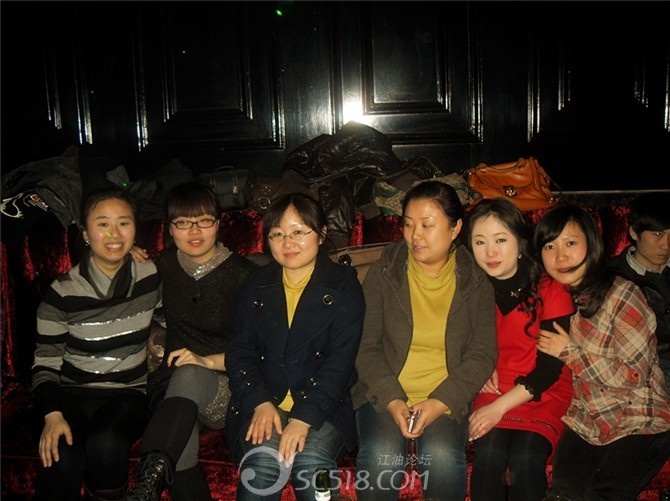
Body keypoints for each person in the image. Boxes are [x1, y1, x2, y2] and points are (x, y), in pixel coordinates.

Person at [351, 180, 498, 501]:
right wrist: (393, 401)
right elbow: (366, 346)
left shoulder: (475, 281)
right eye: (408, 224)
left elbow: (482, 353)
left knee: (441, 458)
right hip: (385, 393)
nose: (415, 235)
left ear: (455, 228)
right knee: (381, 457)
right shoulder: (385, 272)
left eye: (427, 225)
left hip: (444, 396)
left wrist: (439, 402)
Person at [225, 192, 365, 501]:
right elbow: (240, 351)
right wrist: (259, 401)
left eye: (299, 232)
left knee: (311, 461)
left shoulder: (344, 285)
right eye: (277, 234)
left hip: (324, 404)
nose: (288, 242)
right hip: (266, 400)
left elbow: (340, 362)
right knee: (262, 462)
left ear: (321, 234)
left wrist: (304, 417)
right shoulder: (255, 284)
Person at [123, 182, 257, 500]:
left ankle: (145, 486)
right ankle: (146, 490)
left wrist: (205, 361)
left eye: (204, 221)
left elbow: (256, 349)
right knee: (179, 443)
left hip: (226, 385)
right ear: (170, 228)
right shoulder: (164, 265)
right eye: (183, 223)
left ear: (219, 223)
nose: (194, 231)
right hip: (171, 388)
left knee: (189, 374)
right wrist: (122, 254)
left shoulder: (245, 275)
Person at [31, 187, 162, 501]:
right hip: (71, 393)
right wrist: (52, 413)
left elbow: (175, 315)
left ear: (135, 229)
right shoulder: (62, 292)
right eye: (103, 224)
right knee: (62, 456)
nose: (114, 234)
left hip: (128, 393)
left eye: (124, 223)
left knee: (106, 442)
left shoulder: (150, 275)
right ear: (86, 233)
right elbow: (46, 362)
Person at [535, 203, 670, 501]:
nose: (560, 256)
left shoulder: (623, 295)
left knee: (604, 495)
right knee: (561, 496)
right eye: (550, 246)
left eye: (571, 243)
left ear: (591, 244)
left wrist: (570, 352)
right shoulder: (555, 297)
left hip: (640, 418)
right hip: (588, 418)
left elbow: (634, 375)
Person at [465, 198, 574, 501]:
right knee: (489, 456)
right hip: (494, 387)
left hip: (544, 391)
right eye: (480, 242)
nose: (490, 252)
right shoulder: (470, 288)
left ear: (520, 242)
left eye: (501, 240)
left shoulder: (550, 288)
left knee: (526, 458)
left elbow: (550, 368)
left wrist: (499, 408)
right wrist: (477, 369)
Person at [608, 192, 670, 390]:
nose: (666, 245)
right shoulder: (610, 277)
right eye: (658, 234)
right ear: (634, 233)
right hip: (645, 368)